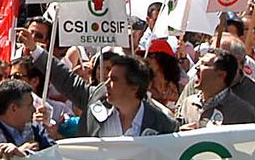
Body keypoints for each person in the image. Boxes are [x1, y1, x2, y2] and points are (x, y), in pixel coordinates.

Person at [38, 50, 179, 137]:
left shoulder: (164, 126)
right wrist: (35, 51)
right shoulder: (97, 99)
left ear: (134, 87)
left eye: (114, 80)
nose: (106, 83)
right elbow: (66, 79)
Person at [181, 50, 255, 128]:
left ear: (221, 74)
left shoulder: (243, 113)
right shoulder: (188, 104)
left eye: (205, 64)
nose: (197, 68)